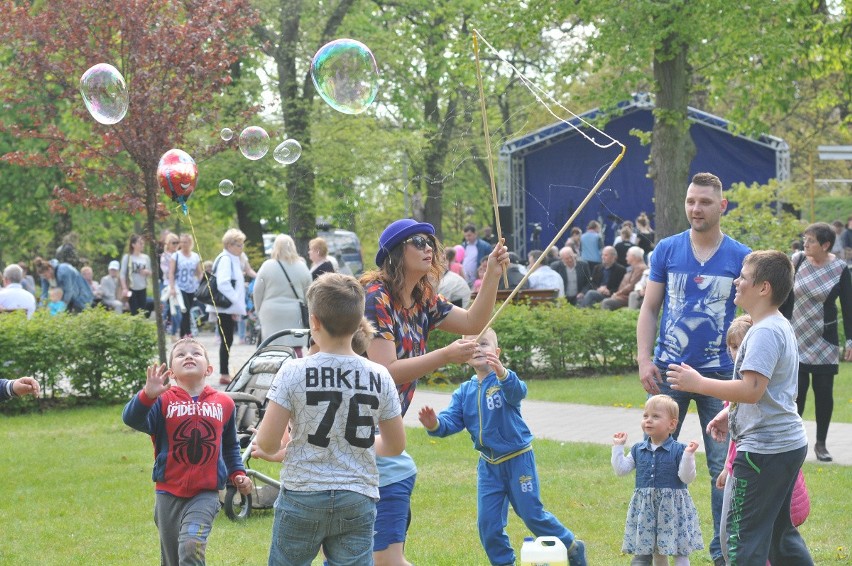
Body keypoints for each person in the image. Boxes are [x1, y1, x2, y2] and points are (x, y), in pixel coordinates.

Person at [362, 218, 509, 566]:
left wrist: (490, 276)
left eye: (430, 241)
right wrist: (445, 354)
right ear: (396, 252)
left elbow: (474, 322)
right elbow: (386, 371)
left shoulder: (423, 297)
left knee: (373, 544)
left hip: (382, 423)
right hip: (356, 422)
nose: (428, 247)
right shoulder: (375, 298)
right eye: (417, 242)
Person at [666, 250, 813, 565]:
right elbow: (768, 391)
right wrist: (728, 412)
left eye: (744, 277)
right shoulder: (775, 324)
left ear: (764, 288)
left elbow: (752, 390)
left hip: (763, 451)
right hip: (783, 445)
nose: (736, 281)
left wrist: (698, 383)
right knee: (778, 536)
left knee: (738, 541)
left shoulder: (763, 332)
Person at [636, 172, 751, 566]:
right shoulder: (667, 250)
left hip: (721, 377)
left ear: (722, 206)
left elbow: (753, 318)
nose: (695, 208)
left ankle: (722, 554)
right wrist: (643, 358)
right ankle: (652, 550)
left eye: (704, 202)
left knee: (723, 466)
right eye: (690, 201)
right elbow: (650, 308)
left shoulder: (741, 257)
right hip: (669, 373)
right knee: (656, 459)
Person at [256, 273, 406, 566]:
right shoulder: (379, 375)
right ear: (359, 320)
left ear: (314, 322)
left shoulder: (293, 371)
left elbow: (268, 442)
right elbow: (395, 446)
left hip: (303, 494)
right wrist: (353, 442)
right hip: (357, 495)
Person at [418, 328, 587, 566]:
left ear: (496, 352)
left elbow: (518, 392)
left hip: (518, 460)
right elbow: (451, 422)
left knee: (532, 514)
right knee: (488, 524)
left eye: (484, 344)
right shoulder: (464, 392)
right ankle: (504, 563)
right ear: (464, 356)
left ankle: (571, 546)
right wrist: (434, 423)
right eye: (471, 346)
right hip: (489, 466)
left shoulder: (504, 381)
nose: (477, 348)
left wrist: (503, 373)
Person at [122, 337, 253, 566]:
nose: (189, 356)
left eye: (196, 353)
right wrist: (147, 395)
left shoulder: (224, 403)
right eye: (181, 354)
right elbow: (132, 419)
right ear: (171, 372)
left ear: (209, 369)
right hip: (167, 493)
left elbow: (230, 446)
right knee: (172, 559)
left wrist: (238, 473)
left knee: (191, 546)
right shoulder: (162, 402)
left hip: (205, 493)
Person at [782, 222, 852, 462]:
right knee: (796, 394)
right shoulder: (798, 260)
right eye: (805, 239)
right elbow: (784, 296)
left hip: (824, 341)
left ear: (826, 245)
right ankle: (794, 444)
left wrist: (850, 340)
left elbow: (848, 306)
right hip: (796, 336)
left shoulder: (840, 268)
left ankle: (821, 444)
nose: (805, 243)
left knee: (824, 394)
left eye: (811, 240)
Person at [611, 394, 702, 565]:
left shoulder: (680, 449)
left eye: (655, 416)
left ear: (672, 424)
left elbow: (686, 477)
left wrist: (689, 455)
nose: (648, 420)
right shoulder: (639, 449)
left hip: (673, 509)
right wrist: (618, 447)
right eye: (645, 416)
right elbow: (621, 470)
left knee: (679, 550)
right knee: (657, 551)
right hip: (648, 509)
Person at [253, 234, 312, 355]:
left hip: (270, 312)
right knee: (295, 346)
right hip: (294, 313)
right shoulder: (302, 267)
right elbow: (309, 293)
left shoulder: (267, 266)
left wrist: (258, 309)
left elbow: (257, 291)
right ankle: (295, 370)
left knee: (272, 345)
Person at [207, 229, 249, 385]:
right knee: (227, 339)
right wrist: (236, 301)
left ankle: (225, 371)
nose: (241, 248)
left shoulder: (231, 258)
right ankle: (224, 373)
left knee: (228, 338)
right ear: (230, 245)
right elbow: (223, 283)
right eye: (239, 245)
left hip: (227, 306)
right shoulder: (226, 259)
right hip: (225, 306)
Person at [169, 233, 202, 338]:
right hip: (180, 287)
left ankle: (182, 336)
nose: (183, 244)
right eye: (181, 242)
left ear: (190, 243)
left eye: (185, 242)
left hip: (192, 287)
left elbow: (199, 272)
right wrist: (172, 287)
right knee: (185, 310)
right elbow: (171, 272)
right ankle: (188, 333)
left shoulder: (195, 256)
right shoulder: (176, 255)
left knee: (187, 311)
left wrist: (203, 282)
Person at [601, 246, 648, 311]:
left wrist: (617, 294)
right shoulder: (635, 267)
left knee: (606, 302)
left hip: (627, 297)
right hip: (624, 296)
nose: (626, 258)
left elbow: (631, 286)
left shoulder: (640, 268)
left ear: (634, 257)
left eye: (627, 256)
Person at [120, 234, 152, 316]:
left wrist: (146, 272)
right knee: (134, 312)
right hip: (131, 288)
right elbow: (122, 274)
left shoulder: (146, 258)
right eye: (140, 243)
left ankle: (140, 328)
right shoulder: (127, 257)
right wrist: (124, 288)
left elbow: (150, 272)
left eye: (143, 243)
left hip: (142, 288)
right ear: (133, 244)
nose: (142, 245)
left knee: (142, 312)